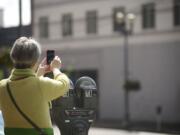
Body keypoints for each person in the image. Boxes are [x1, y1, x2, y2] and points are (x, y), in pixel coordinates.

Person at [0, 37, 70, 135]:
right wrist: (56, 69)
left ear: (13, 58)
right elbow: (64, 85)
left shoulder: (2, 86)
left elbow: (25, 90)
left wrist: (38, 73)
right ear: (35, 62)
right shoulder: (41, 84)